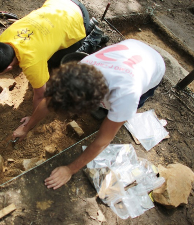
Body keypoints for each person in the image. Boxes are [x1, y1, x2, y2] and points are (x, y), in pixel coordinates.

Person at [12, 39, 166, 189]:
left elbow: (103, 141)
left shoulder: (126, 96)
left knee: (116, 119)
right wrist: (27, 127)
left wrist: (70, 169)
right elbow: (48, 101)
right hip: (131, 46)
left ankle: (114, 118)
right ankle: (112, 117)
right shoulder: (80, 70)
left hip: (153, 66)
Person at [0, 0, 109, 125]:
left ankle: (91, 37)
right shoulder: (3, 41)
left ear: (9, 68)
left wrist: (32, 120)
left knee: (58, 62)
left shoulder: (32, 62)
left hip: (78, 14)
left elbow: (41, 96)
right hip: (60, 4)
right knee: (51, 48)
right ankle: (85, 31)